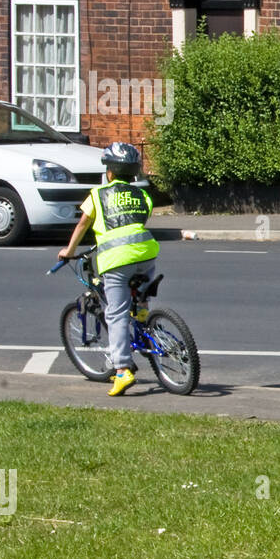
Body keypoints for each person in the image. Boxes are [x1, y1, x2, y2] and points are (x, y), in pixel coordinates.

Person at [58, 142, 160, 397]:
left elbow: (83, 224)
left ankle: (123, 370)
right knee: (140, 288)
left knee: (115, 313)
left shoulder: (97, 194)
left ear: (110, 173)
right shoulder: (143, 195)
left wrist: (69, 252)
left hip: (116, 258)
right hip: (146, 251)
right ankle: (143, 312)